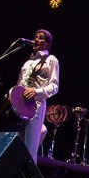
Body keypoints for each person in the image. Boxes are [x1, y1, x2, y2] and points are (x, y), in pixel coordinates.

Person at [16, 29, 59, 162]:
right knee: (17, 146)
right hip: (20, 106)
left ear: (47, 44)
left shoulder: (51, 60)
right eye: (35, 37)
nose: (36, 40)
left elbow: (54, 86)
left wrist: (37, 92)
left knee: (29, 150)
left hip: (36, 105)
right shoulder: (27, 63)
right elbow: (19, 83)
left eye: (41, 38)